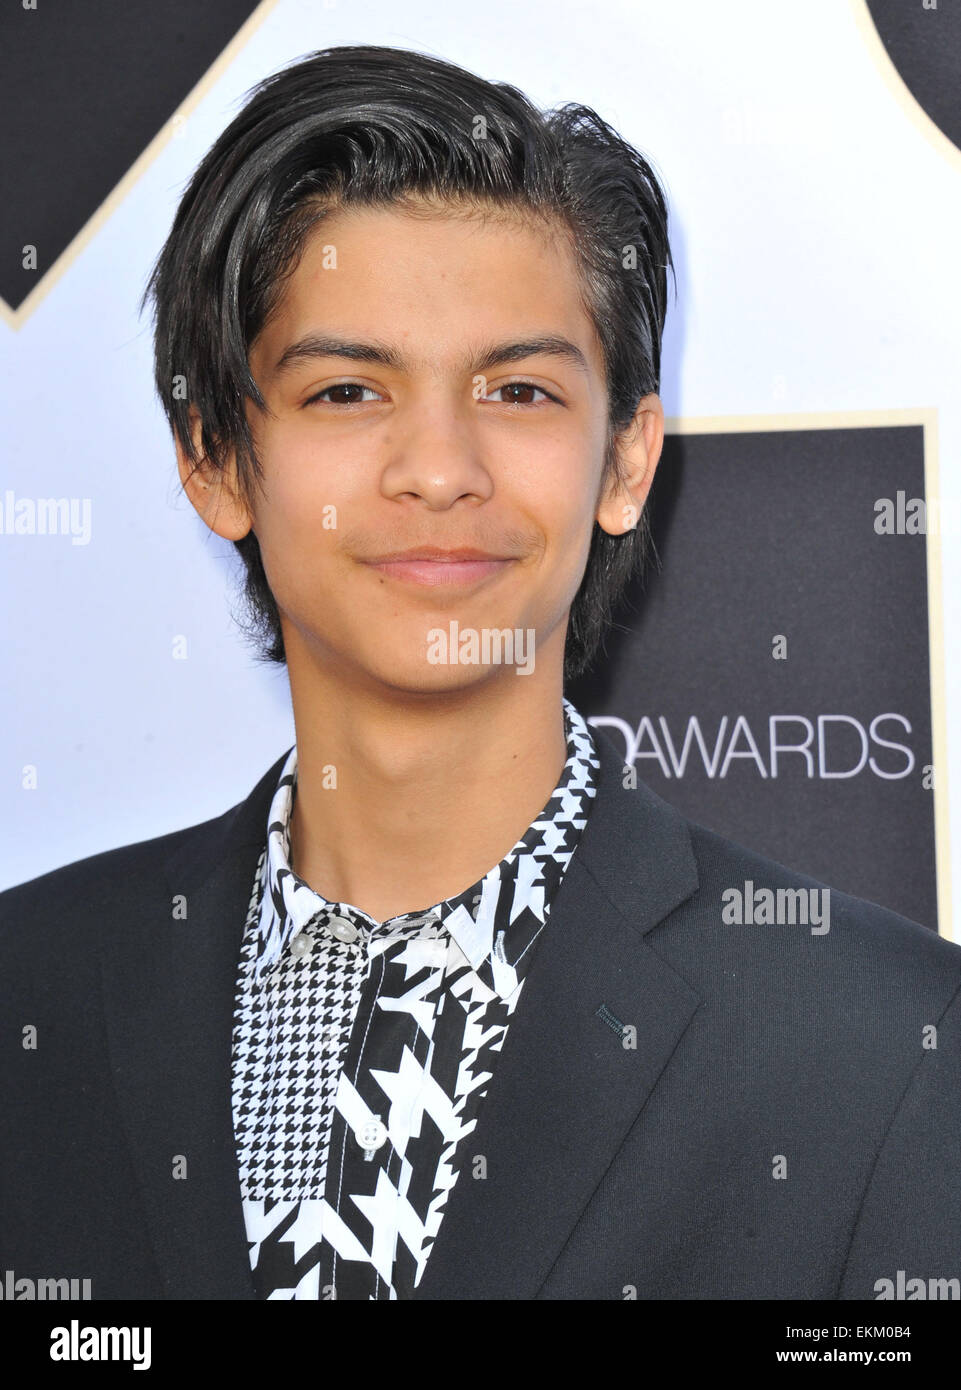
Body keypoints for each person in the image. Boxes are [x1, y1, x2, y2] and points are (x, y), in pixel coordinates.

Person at [2, 44, 959, 1302]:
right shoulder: (35, 993)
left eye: (516, 390)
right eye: (348, 389)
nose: (438, 467)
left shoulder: (883, 1049)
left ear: (625, 461)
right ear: (214, 459)